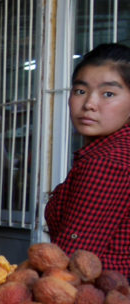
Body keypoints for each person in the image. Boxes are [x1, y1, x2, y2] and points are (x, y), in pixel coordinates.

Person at [45, 43, 130, 276]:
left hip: (100, 298)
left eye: (108, 94)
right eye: (80, 91)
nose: (89, 104)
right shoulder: (110, 152)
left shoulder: (107, 162)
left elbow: (72, 261)